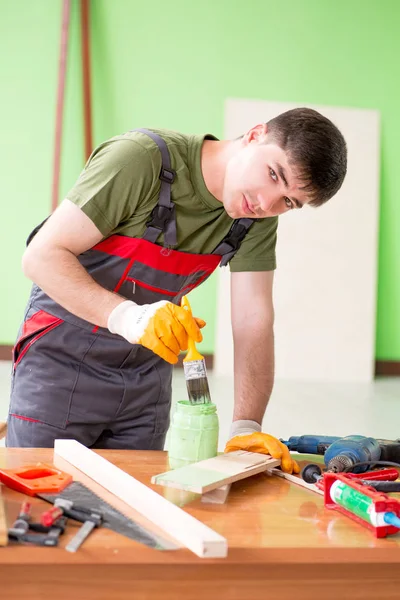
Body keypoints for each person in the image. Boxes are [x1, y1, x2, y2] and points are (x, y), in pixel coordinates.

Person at [6, 108, 347, 473]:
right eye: (273, 174)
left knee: (134, 511)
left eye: (288, 202)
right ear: (254, 134)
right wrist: (129, 317)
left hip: (143, 385)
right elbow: (41, 256)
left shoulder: (255, 219)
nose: (267, 203)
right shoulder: (141, 160)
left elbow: (253, 319)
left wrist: (246, 426)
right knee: (36, 503)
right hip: (59, 368)